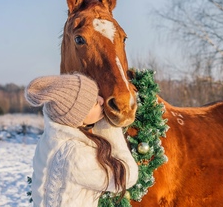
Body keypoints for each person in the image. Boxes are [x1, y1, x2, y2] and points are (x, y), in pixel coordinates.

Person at [25, 73, 138, 207]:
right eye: (95, 103)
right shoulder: (73, 155)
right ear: (76, 116)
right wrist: (108, 127)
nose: (102, 101)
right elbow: (128, 177)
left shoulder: (50, 139)